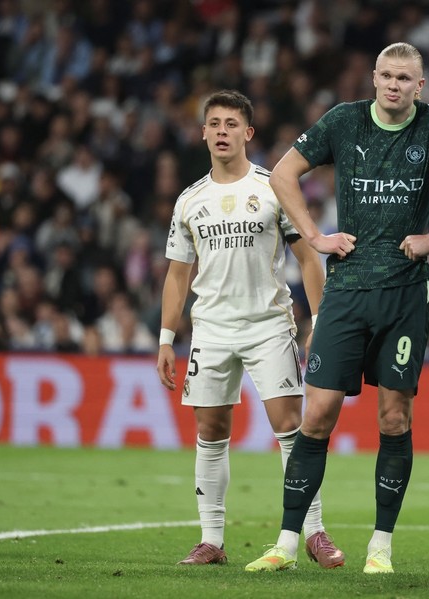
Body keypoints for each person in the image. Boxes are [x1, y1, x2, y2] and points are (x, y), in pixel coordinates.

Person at [244, 42, 429, 574]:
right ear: (373, 77)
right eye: (385, 75)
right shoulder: (344, 121)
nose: (393, 85)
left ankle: (380, 548)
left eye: (405, 78)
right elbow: (281, 174)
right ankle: (287, 545)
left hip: (405, 293)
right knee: (315, 416)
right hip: (345, 292)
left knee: (394, 416)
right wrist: (314, 235)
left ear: (420, 86)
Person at [156, 89, 344, 568]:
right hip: (211, 330)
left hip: (267, 325)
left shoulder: (271, 188)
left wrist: (319, 320)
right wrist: (165, 339)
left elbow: (307, 258)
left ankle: (315, 532)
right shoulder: (189, 200)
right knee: (211, 432)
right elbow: (178, 274)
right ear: (202, 132)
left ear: (248, 133)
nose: (222, 132)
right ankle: (212, 541)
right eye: (214, 123)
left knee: (291, 430)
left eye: (231, 124)